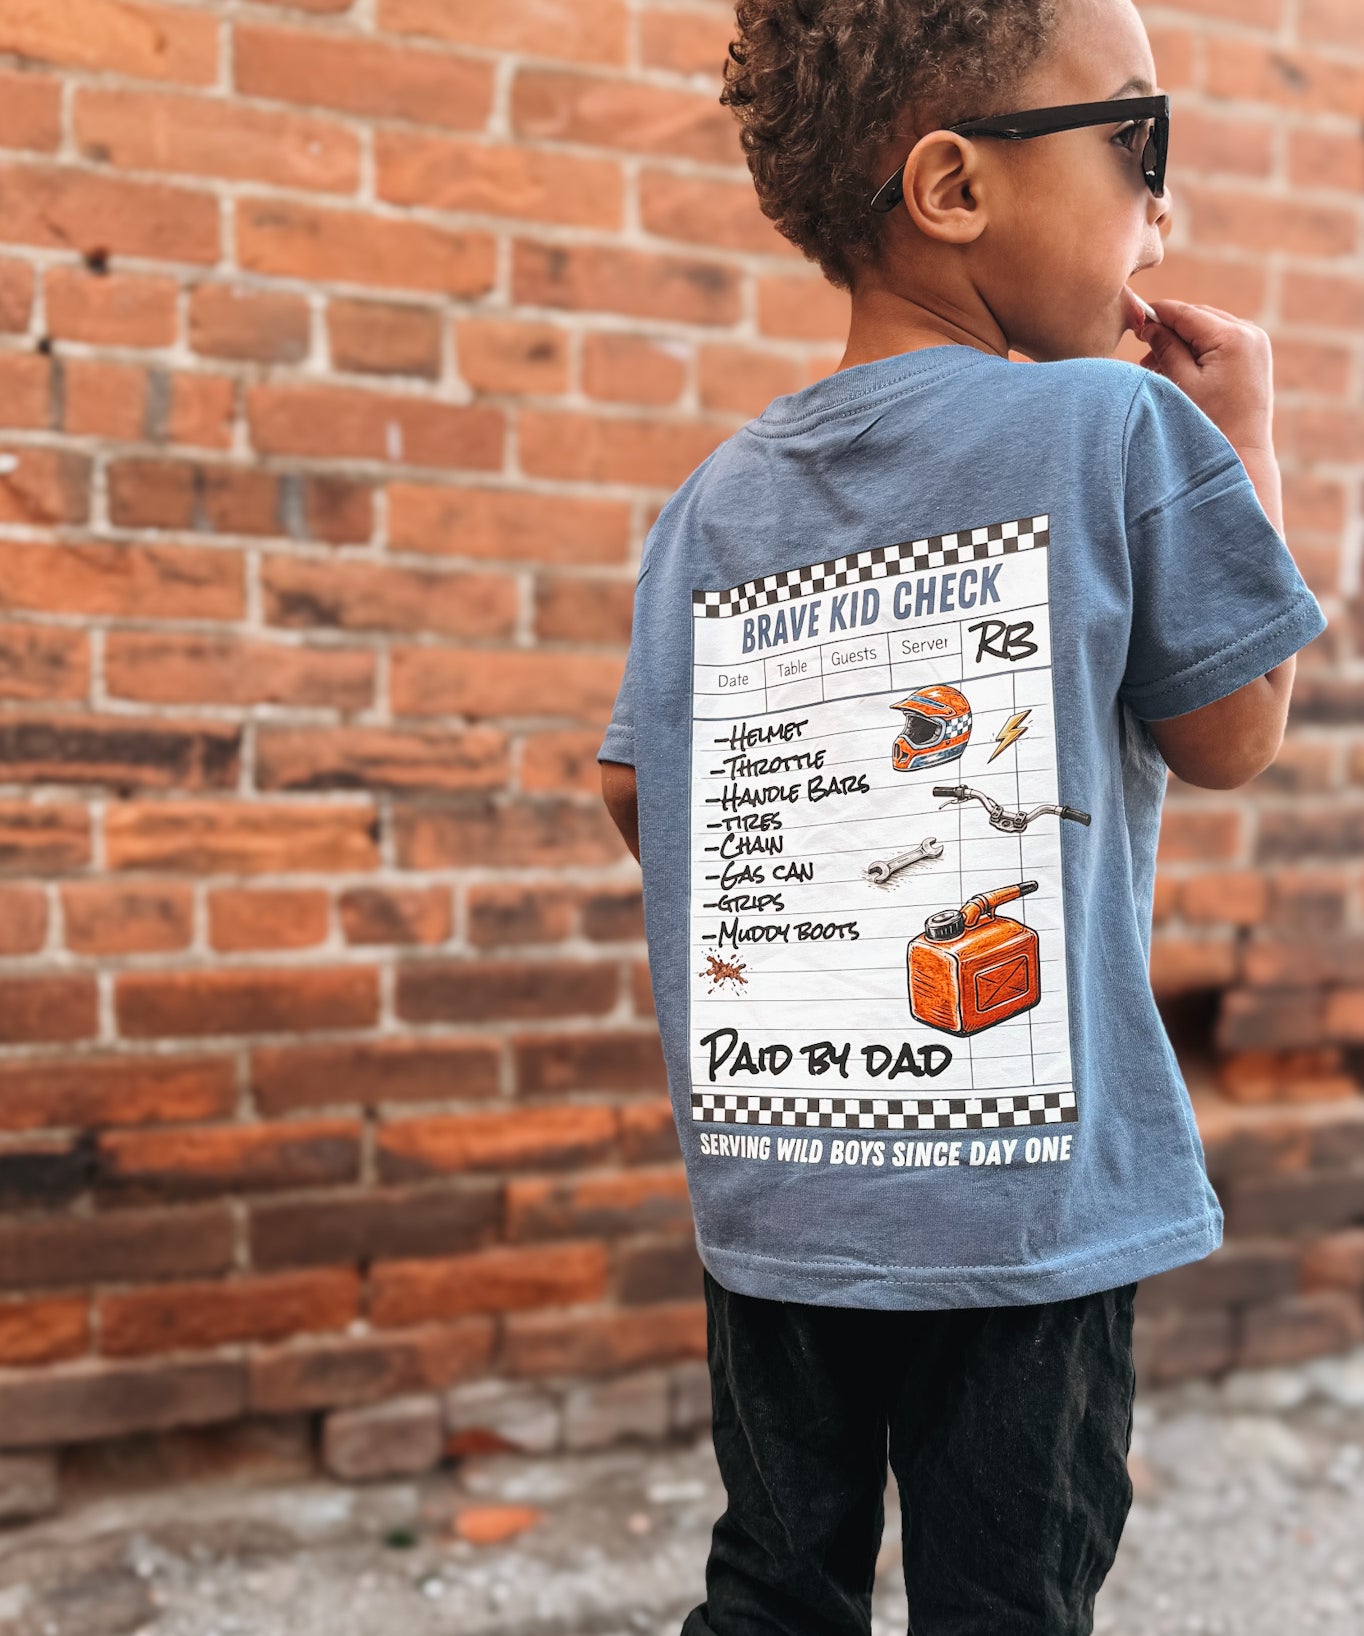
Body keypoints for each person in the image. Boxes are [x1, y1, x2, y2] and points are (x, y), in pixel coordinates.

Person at [597, 0, 1328, 1630]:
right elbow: (1236, 728)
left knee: (775, 1584)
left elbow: (642, 790)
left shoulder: (708, 498)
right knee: (1008, 1598)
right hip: (1023, 1216)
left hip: (781, 1203)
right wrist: (1247, 441)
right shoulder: (1119, 426)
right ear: (952, 186)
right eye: (1141, 146)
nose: (1164, 210)